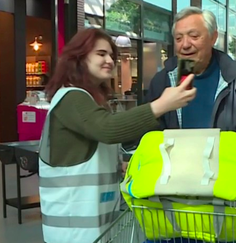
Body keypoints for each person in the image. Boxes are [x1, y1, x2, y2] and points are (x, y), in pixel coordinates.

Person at [39, 28, 197, 243]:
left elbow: (92, 148)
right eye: (101, 54)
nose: (109, 60)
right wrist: (160, 105)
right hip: (72, 230)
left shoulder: (87, 99)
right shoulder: (71, 97)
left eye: (112, 55)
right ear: (78, 57)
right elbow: (107, 129)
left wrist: (118, 165)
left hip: (90, 227)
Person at [145, 6, 236, 167]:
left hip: (223, 175)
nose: (185, 45)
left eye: (194, 36)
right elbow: (149, 128)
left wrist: (230, 162)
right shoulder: (163, 80)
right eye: (178, 38)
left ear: (213, 37)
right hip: (174, 176)